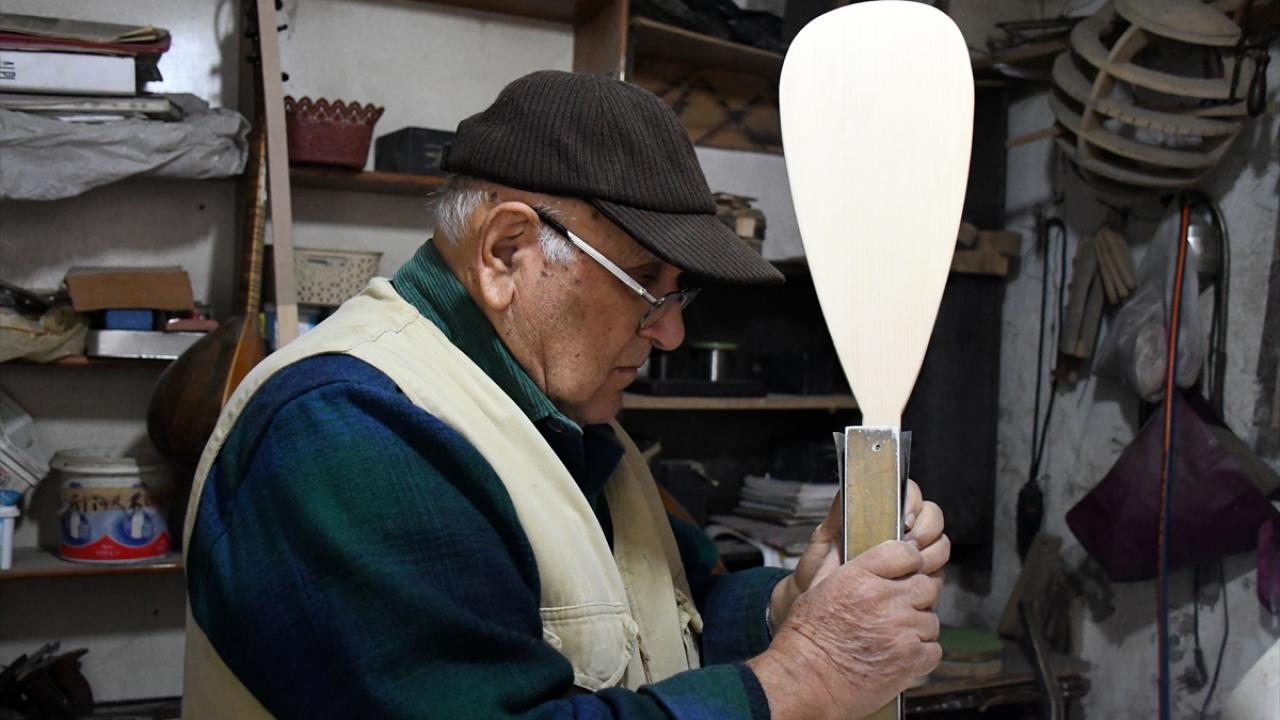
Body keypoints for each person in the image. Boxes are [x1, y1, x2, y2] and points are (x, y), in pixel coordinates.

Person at [180, 70, 949, 720]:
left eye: (679, 291)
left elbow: (671, 618)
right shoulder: (346, 430)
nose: (671, 333)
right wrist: (803, 677)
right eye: (644, 282)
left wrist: (792, 607)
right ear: (506, 253)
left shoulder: (564, 421)